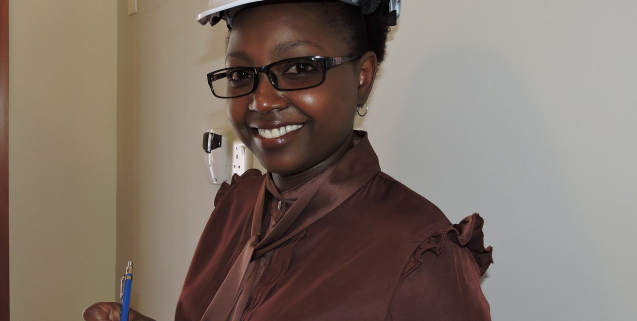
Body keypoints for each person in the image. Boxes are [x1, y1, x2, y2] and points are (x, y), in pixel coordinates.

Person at [84, 1, 493, 320]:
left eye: (299, 67)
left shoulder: (419, 261)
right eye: (243, 75)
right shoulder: (236, 208)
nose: (261, 101)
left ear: (363, 77)